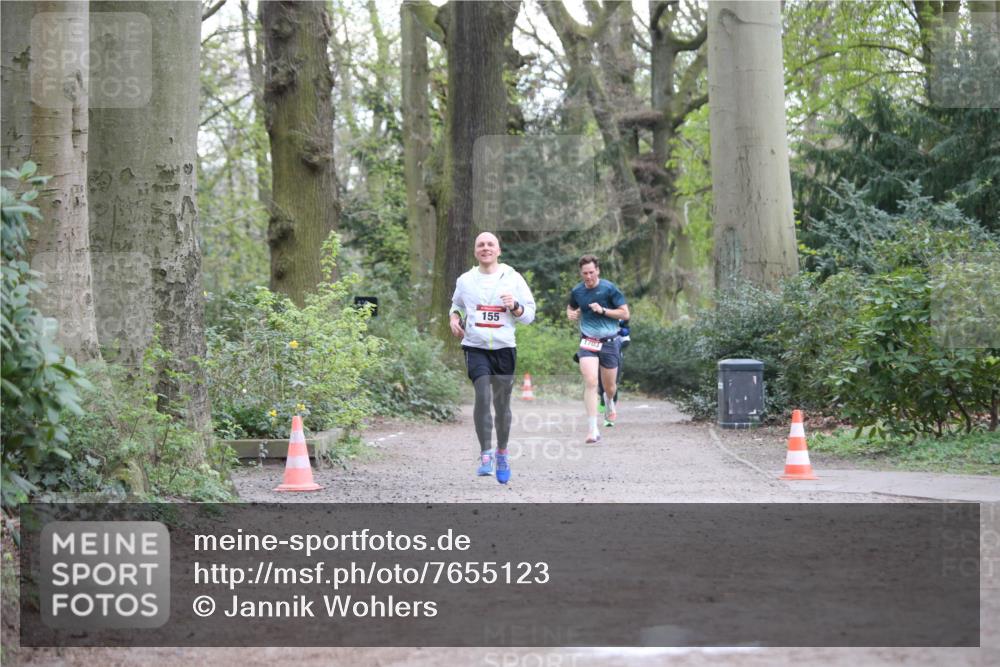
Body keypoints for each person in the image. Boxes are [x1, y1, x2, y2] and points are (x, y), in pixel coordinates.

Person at [449, 232, 536, 484]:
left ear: (498, 251)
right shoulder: (465, 280)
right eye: (481, 245)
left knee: (501, 405)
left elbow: (529, 315)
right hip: (475, 347)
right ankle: (485, 453)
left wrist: (515, 306)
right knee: (482, 396)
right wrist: (454, 319)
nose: (485, 248)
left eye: (490, 244)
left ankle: (502, 453)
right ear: (475, 251)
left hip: (504, 348)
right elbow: (456, 305)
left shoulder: (513, 278)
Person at [566, 255, 629, 443]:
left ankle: (609, 401)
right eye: (585, 273)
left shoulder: (609, 289)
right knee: (591, 382)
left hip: (609, 341)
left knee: (609, 387)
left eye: (591, 272)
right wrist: (571, 314)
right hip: (588, 341)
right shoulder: (577, 291)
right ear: (581, 273)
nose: (588, 277)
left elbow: (625, 313)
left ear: (598, 271)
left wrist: (603, 310)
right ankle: (593, 430)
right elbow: (570, 308)